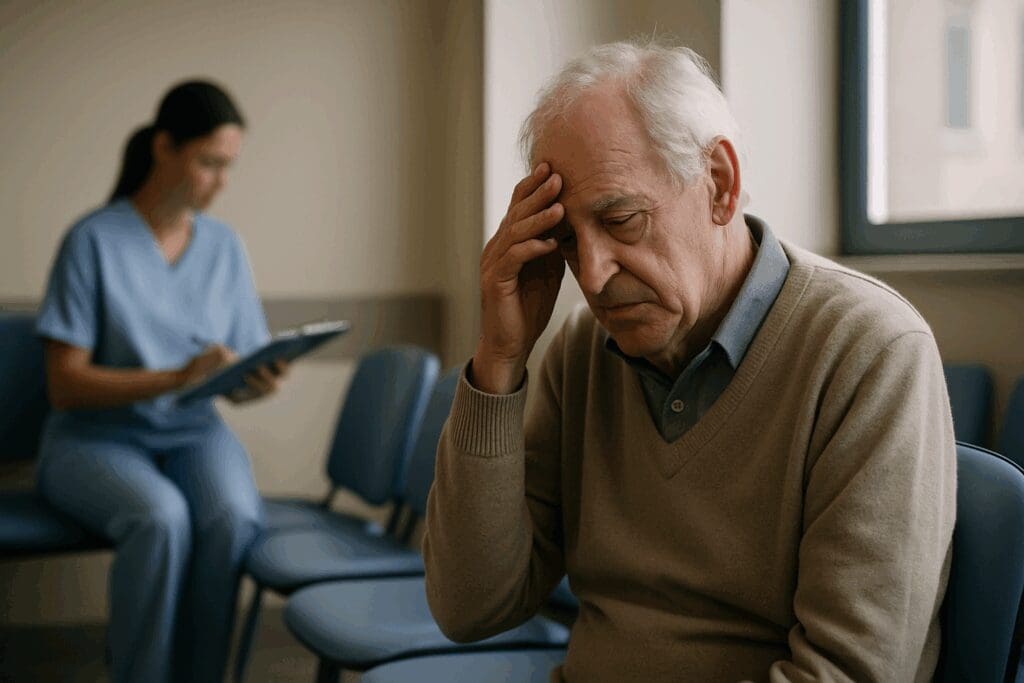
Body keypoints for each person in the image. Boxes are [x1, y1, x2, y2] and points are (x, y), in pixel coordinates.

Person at [423, 41, 956, 682]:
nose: (591, 275)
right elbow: (468, 606)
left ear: (720, 185)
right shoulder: (580, 351)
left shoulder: (870, 350)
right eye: (565, 239)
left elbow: (847, 673)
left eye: (621, 220)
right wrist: (500, 361)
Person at [35, 80, 288, 683]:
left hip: (194, 433)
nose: (221, 181)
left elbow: (232, 372)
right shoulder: (92, 239)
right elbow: (64, 385)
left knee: (231, 516)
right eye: (208, 163)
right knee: (161, 518)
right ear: (163, 147)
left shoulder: (225, 247)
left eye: (228, 166)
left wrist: (258, 382)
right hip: (92, 439)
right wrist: (177, 376)